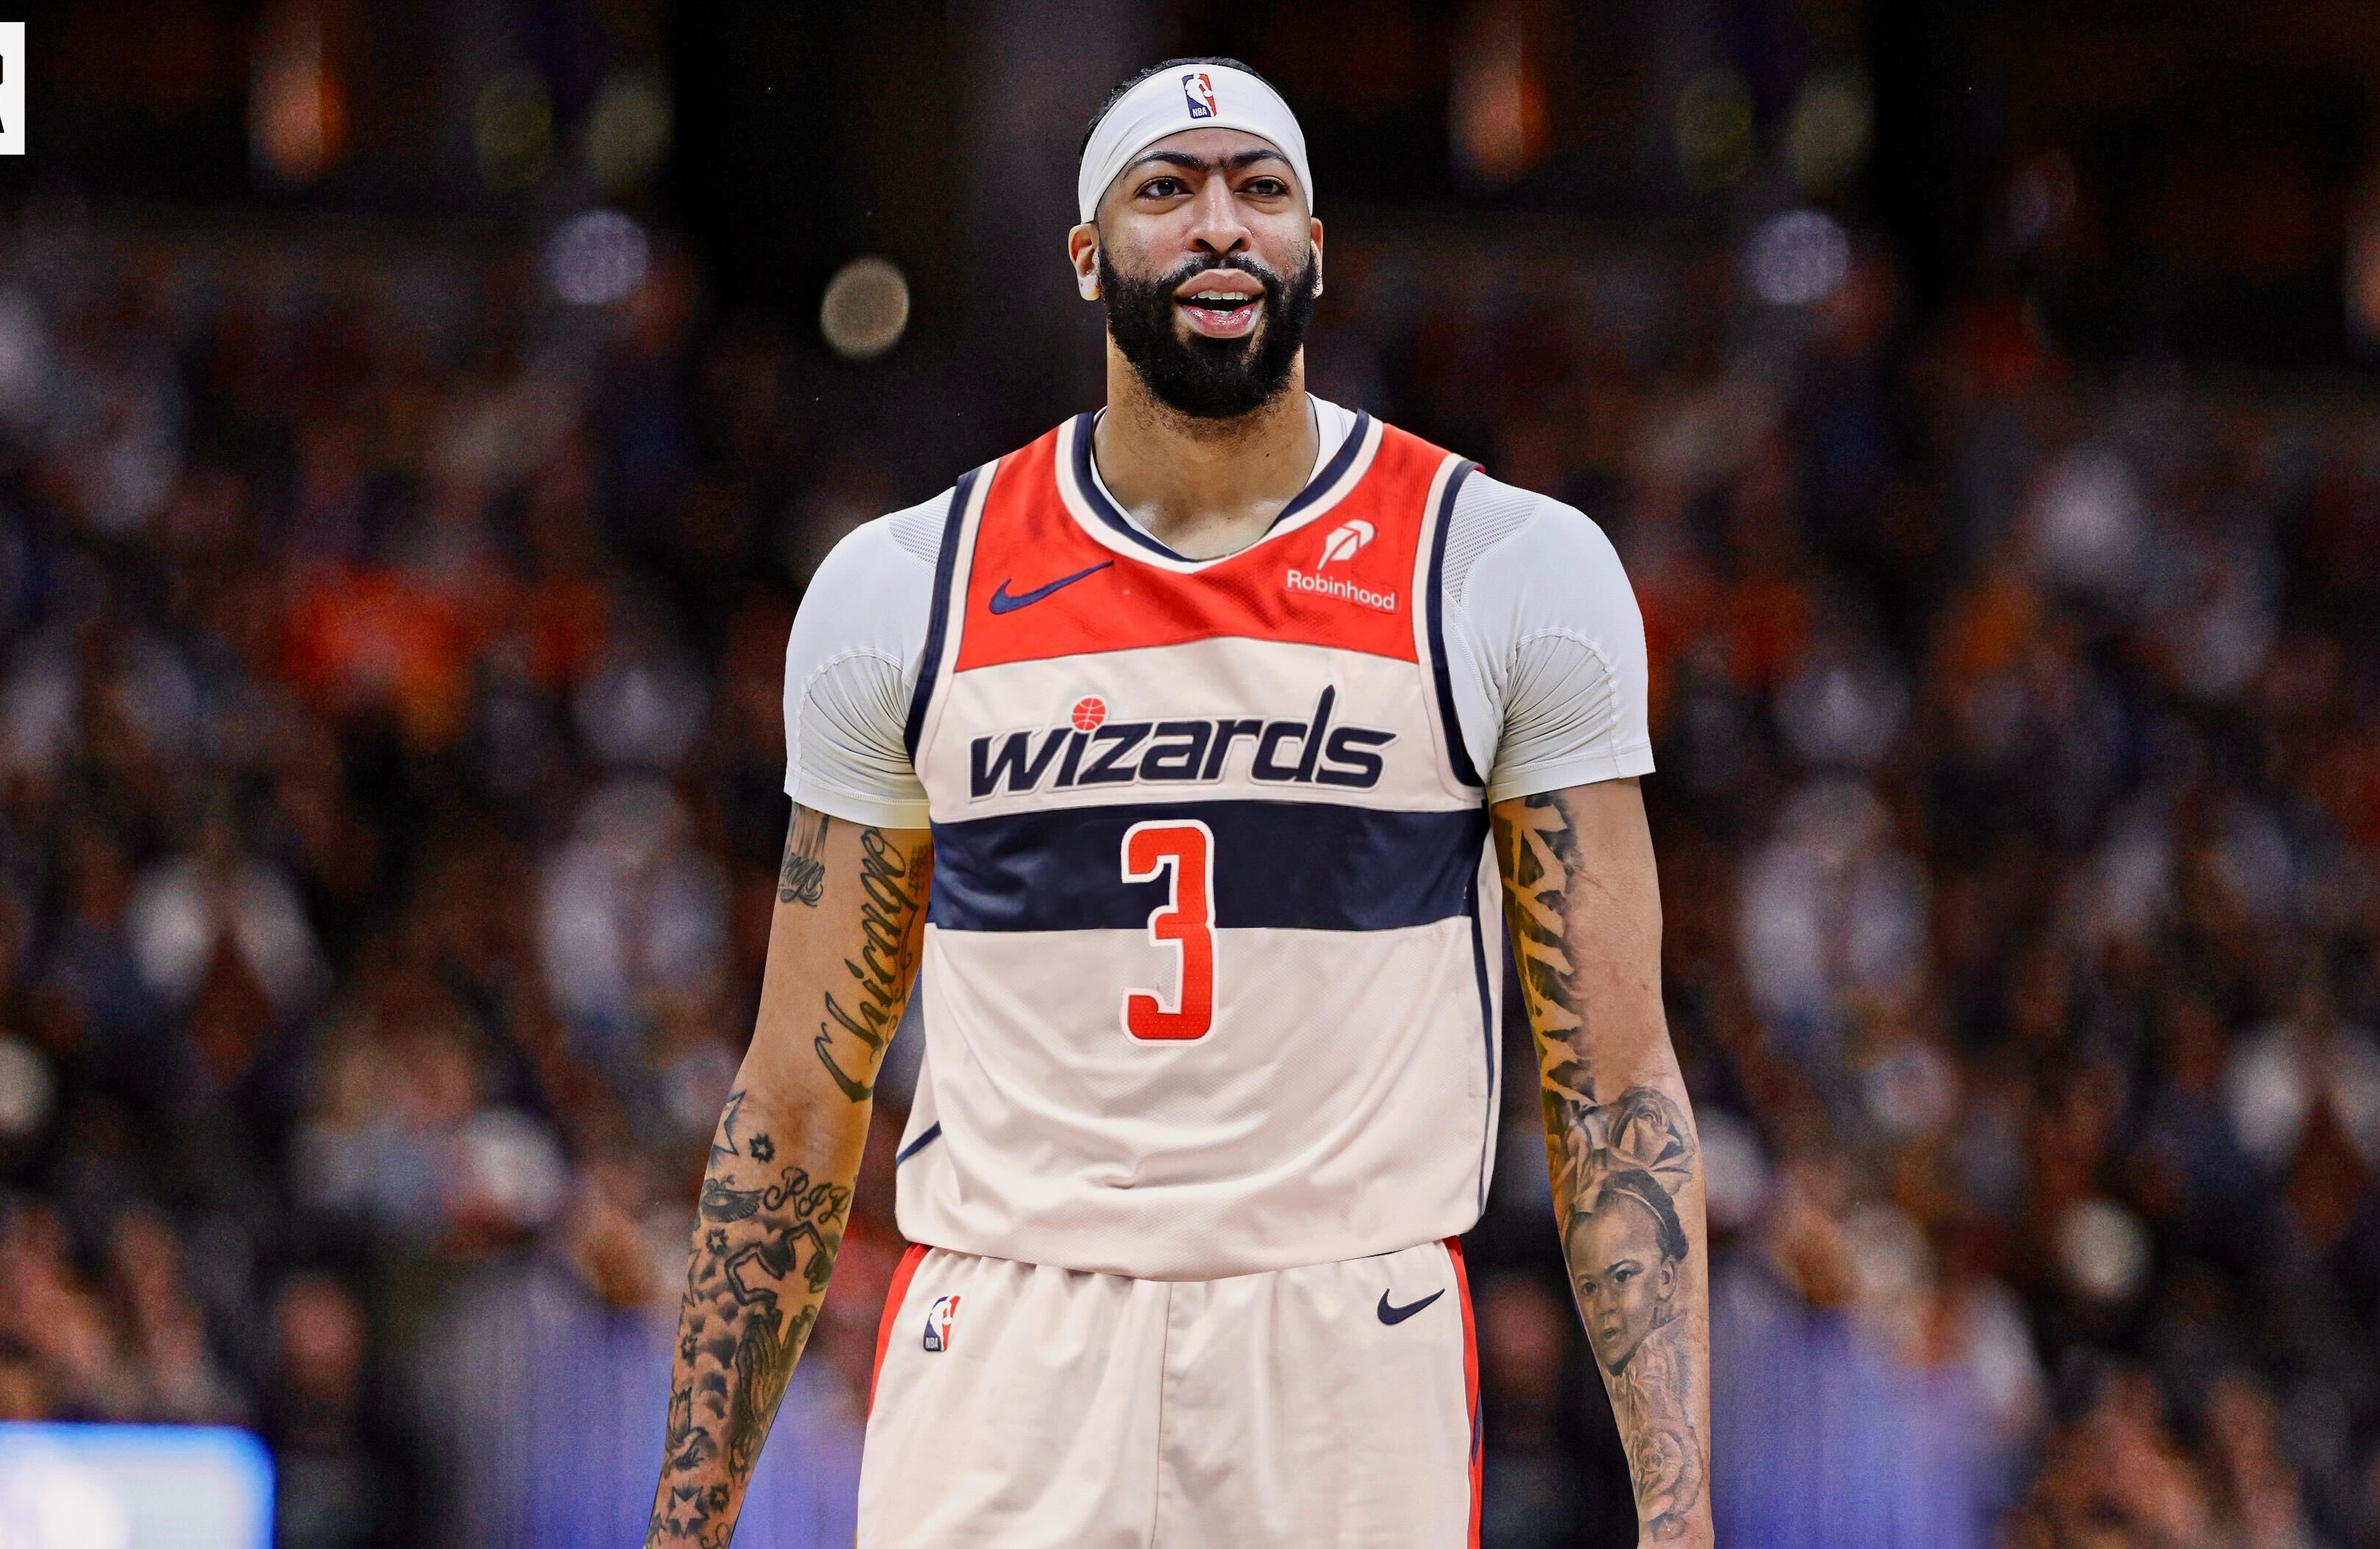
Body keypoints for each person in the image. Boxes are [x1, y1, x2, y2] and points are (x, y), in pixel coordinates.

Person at [643, 57, 1707, 1547]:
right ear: (1087, 256)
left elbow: (1613, 1078)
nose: (1219, 223)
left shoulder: (1500, 567)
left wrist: (1677, 1510)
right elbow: (797, 1092)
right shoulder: (905, 587)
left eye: (1260, 188)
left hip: (1345, 1337)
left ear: (1313, 248)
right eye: (1168, 188)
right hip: (1005, 1336)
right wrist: (688, 1521)